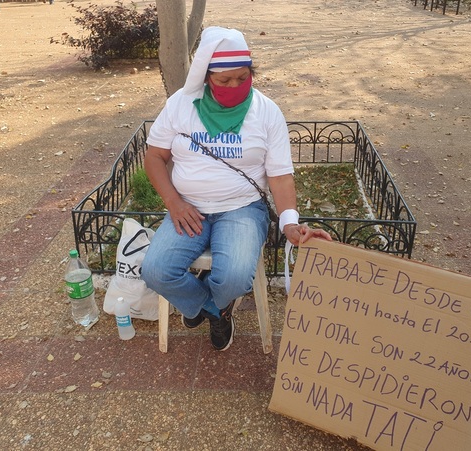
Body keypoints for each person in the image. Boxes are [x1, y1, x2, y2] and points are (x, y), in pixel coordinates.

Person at [141, 26, 332, 351]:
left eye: (242, 78)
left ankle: (209, 302)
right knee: (156, 271)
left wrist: (289, 223)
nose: (235, 86)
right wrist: (173, 201)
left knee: (236, 275)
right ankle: (216, 308)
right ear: (205, 77)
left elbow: (281, 176)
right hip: (189, 206)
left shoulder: (266, 113)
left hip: (242, 208)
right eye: (224, 80)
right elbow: (155, 157)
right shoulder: (181, 104)